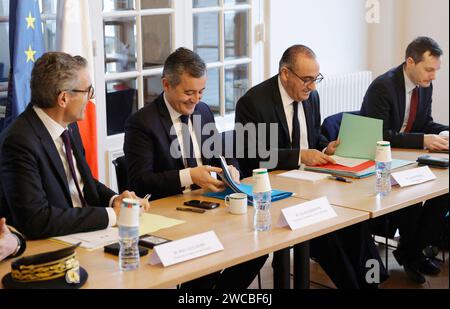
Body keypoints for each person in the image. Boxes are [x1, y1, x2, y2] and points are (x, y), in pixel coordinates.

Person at [235, 45, 386, 288]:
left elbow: (313, 138)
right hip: (277, 192)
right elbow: (252, 156)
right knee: (328, 234)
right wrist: (300, 156)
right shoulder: (253, 102)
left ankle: (372, 283)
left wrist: (326, 148)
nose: (313, 86)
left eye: (316, 79)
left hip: (314, 183)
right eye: (306, 79)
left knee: (356, 220)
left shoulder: (310, 96)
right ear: (285, 74)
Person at [124, 47, 267, 289]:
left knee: (259, 246)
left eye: (201, 91)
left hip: (211, 206)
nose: (196, 99)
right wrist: (189, 175)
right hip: (171, 215)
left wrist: (230, 169)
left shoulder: (201, 110)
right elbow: (140, 182)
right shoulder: (141, 123)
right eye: (189, 92)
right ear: (166, 85)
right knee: (204, 261)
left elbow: (222, 154)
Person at [0, 52, 149, 240]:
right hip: (51, 246)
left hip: (87, 235)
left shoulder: (69, 125)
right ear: (63, 99)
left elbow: (84, 181)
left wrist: (115, 200)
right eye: (88, 91)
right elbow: (35, 219)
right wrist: (113, 215)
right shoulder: (19, 141)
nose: (90, 98)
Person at [360, 36, 448, 283]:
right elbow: (381, 136)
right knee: (411, 194)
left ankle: (410, 251)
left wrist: (443, 133)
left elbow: (425, 123)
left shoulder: (425, 86)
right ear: (410, 62)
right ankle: (410, 254)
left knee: (443, 193)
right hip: (380, 162)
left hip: (408, 159)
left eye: (436, 70)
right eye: (429, 69)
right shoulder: (383, 87)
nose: (433, 77)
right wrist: (423, 140)